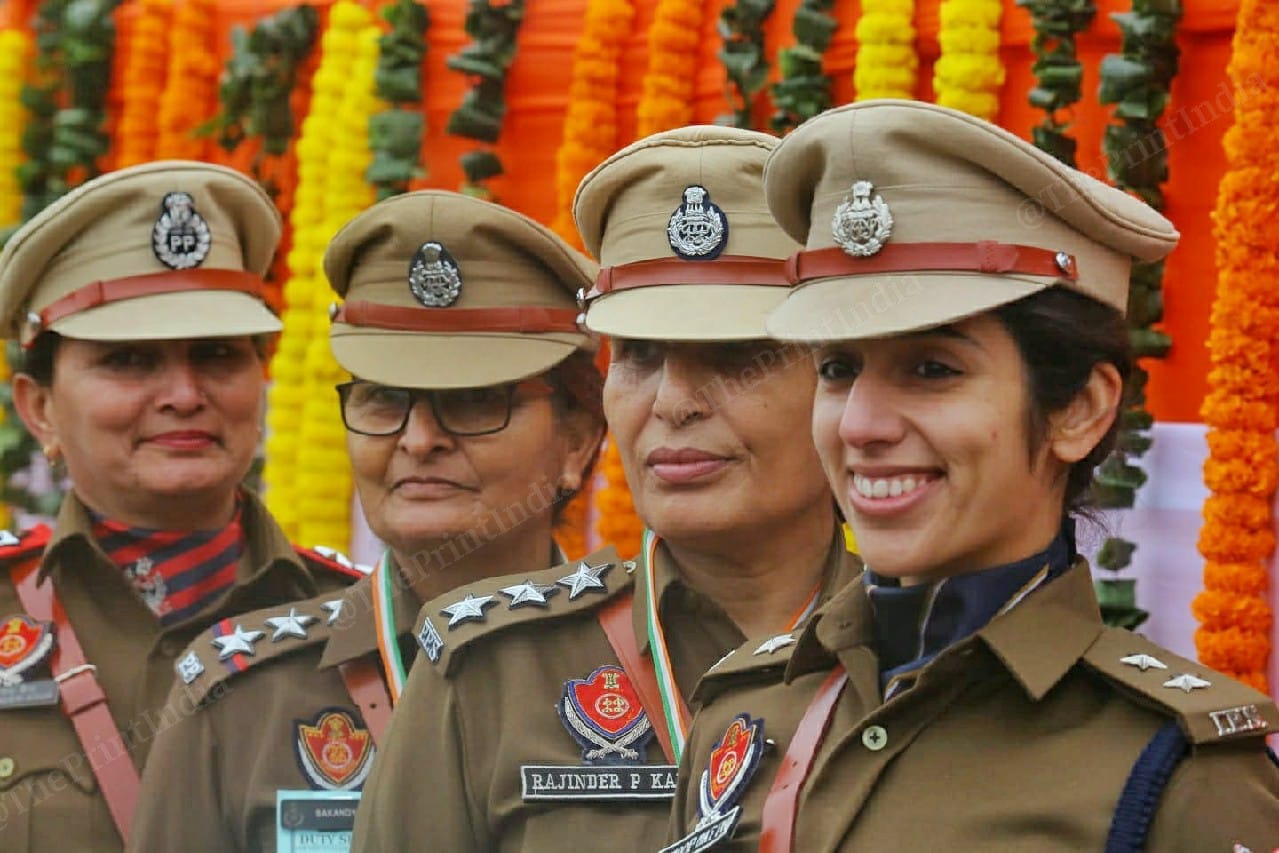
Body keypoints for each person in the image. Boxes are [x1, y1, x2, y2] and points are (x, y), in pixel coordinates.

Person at [665, 100, 1279, 853]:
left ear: (1078, 410)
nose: (860, 423)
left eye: (931, 368)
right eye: (836, 368)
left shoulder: (1172, 773)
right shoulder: (747, 709)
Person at [352, 125, 861, 852]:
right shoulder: (489, 668)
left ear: (839, 378)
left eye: (734, 355)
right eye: (640, 354)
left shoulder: (929, 653)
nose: (672, 401)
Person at [127, 189, 607, 852]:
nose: (417, 439)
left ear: (578, 440)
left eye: (472, 400)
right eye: (384, 399)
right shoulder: (239, 694)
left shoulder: (653, 667)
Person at [0, 161, 366, 852]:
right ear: (39, 407)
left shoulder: (365, 626)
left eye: (218, 354)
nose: (184, 393)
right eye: (131, 360)